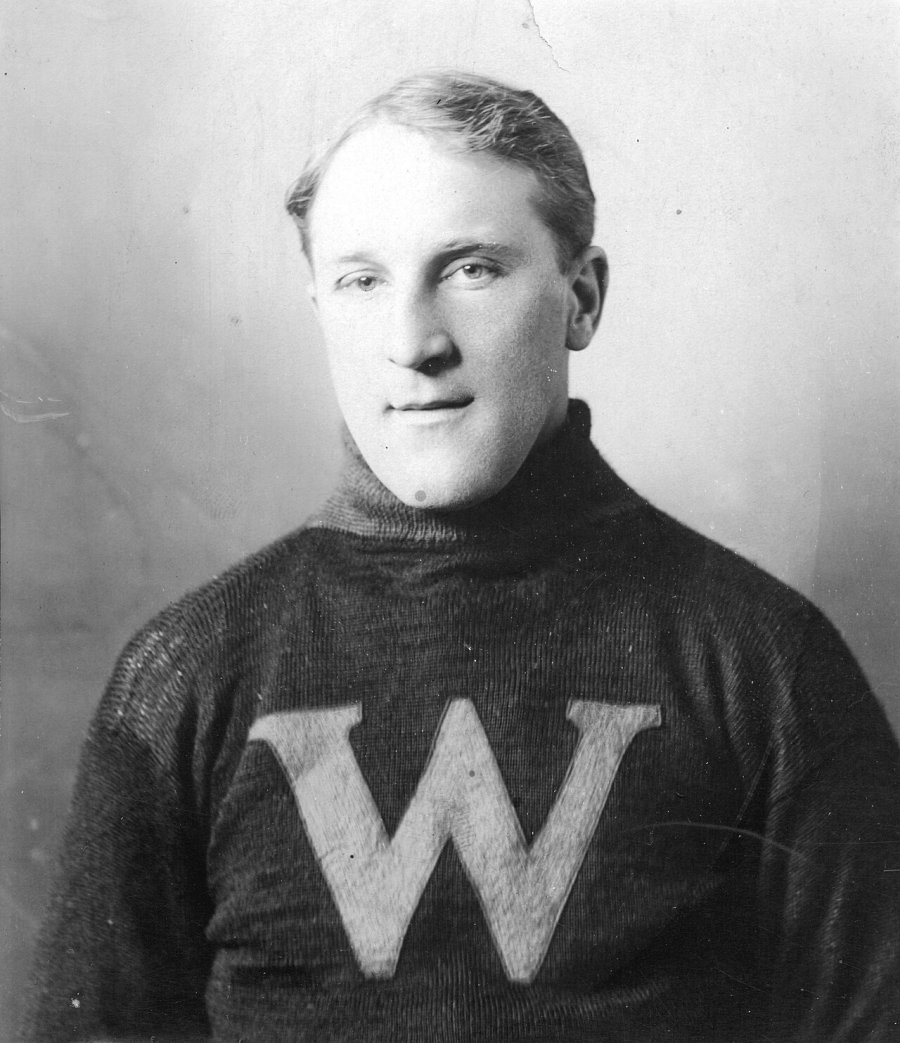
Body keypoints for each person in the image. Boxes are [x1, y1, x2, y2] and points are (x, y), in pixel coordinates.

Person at [22, 70, 900, 1043]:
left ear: (582, 299)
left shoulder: (761, 661)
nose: (412, 341)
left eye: (471, 269)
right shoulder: (186, 675)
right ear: (320, 304)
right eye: (363, 280)